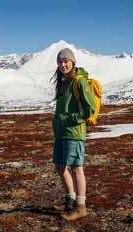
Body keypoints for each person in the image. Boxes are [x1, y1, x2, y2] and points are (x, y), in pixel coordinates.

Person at [51, 48, 95, 220]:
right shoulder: (63, 82)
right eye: (60, 62)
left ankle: (81, 207)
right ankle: (70, 199)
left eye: (66, 61)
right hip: (61, 132)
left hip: (74, 132)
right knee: (60, 166)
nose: (63, 64)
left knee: (77, 168)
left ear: (73, 62)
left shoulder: (80, 82)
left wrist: (71, 119)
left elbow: (89, 108)